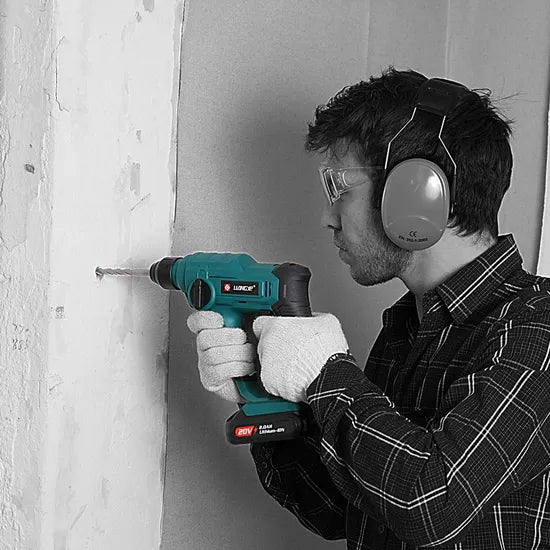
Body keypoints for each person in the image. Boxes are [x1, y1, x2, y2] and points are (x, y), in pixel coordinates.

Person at [186, 67, 550, 549]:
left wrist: (326, 375)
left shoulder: (537, 330)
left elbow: (431, 503)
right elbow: (335, 511)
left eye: (339, 187)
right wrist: (266, 394)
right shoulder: (405, 329)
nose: (327, 217)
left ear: (416, 193)